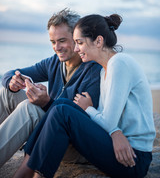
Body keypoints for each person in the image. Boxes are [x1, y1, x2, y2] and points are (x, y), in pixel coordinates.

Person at [13, 14, 156, 178]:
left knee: (62, 111)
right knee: (61, 106)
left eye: (80, 43)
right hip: (117, 146)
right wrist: (113, 130)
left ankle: (28, 173)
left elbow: (108, 121)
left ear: (98, 41)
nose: (75, 49)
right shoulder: (104, 71)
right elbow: (107, 121)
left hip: (132, 157)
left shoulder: (119, 63)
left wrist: (88, 108)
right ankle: (26, 170)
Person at [0, 9, 101, 167]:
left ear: (77, 37)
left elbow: (76, 122)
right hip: (49, 129)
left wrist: (46, 102)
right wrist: (12, 82)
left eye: (62, 40)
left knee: (30, 108)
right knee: (7, 92)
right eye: (53, 42)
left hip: (73, 145)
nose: (57, 47)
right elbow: (11, 73)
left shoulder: (93, 71)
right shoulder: (54, 62)